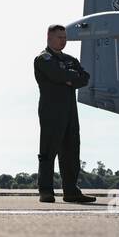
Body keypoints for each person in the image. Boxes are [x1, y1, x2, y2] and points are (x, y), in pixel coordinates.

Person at [33, 24, 97, 204]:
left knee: (71, 151)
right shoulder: (43, 59)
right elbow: (57, 75)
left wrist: (69, 77)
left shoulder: (70, 59)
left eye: (65, 37)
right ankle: (46, 191)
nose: (63, 40)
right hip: (51, 111)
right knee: (48, 151)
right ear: (49, 37)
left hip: (70, 111)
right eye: (59, 37)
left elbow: (84, 78)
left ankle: (71, 190)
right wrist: (69, 77)